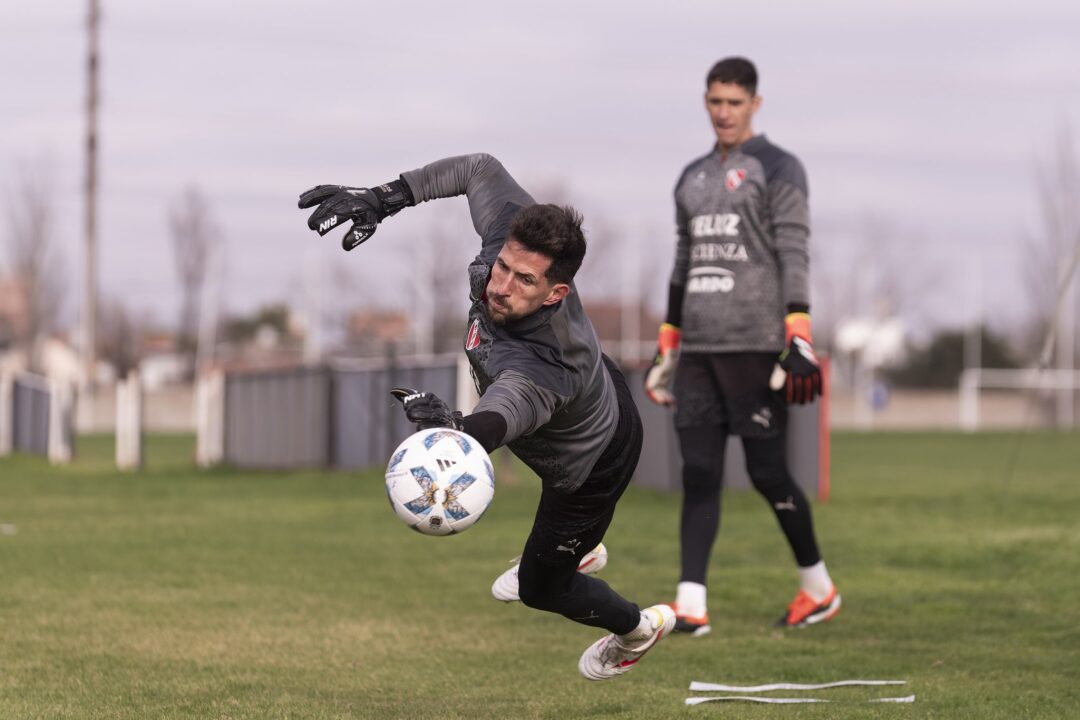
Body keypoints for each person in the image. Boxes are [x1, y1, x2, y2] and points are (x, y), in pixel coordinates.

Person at [298, 153, 675, 680]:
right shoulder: (512, 236)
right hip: (597, 392)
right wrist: (382, 199)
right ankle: (577, 551)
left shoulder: (546, 366)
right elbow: (477, 167)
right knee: (550, 560)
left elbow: (502, 413)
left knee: (540, 588)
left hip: (590, 466)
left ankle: (638, 628)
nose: (501, 285)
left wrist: (455, 431)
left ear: (556, 293)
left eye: (524, 281)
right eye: (502, 265)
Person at [645, 57, 840, 635]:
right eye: (714, 101)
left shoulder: (780, 168)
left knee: (767, 473)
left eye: (733, 102)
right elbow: (682, 262)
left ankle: (818, 587)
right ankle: (691, 604)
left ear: (755, 103)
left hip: (757, 347)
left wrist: (799, 333)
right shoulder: (690, 176)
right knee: (699, 471)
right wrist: (668, 344)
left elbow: (794, 251)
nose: (723, 112)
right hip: (699, 352)